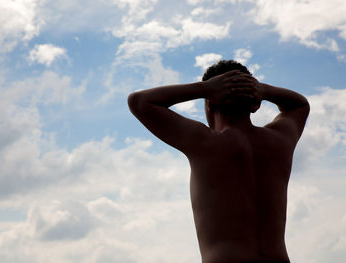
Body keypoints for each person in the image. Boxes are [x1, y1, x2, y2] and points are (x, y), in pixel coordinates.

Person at [127, 60, 309, 263]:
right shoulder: (280, 140)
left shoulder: (205, 142)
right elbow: (300, 105)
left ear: (209, 102)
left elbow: (139, 101)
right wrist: (263, 90)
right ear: (255, 104)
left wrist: (203, 89)